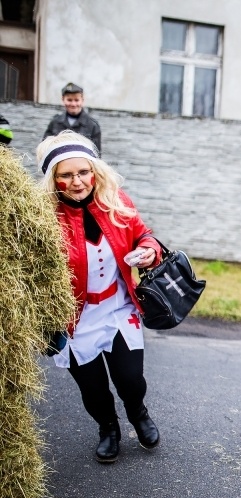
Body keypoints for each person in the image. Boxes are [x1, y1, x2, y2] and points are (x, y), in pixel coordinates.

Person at [37, 130, 162, 463]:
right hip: (76, 319)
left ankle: (138, 413)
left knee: (130, 378)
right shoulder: (43, 221)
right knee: (93, 389)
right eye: (66, 175)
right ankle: (108, 428)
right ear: (54, 180)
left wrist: (149, 251)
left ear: (95, 171)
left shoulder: (115, 200)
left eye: (83, 172)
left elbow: (144, 235)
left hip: (118, 306)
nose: (77, 181)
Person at [43, 83, 102, 156]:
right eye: (69, 100)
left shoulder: (93, 125)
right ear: (63, 100)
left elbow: (97, 155)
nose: (73, 104)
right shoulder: (55, 122)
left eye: (77, 100)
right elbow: (45, 148)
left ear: (82, 100)